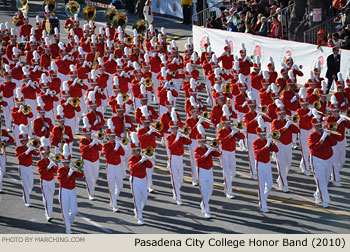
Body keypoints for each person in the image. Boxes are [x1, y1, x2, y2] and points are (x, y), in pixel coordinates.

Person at [308, 109, 337, 208]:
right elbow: (315, 148)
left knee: (325, 180)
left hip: (328, 158)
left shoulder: (325, 133)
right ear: (314, 126)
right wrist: (323, 138)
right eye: (317, 126)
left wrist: (330, 135)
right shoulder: (311, 136)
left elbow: (334, 143)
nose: (319, 127)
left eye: (320, 125)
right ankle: (325, 200)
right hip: (317, 160)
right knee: (320, 181)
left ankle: (317, 195)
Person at [253, 116, 278, 213]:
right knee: (261, 184)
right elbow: (258, 153)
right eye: (262, 134)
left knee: (270, 184)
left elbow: (276, 150)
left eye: (265, 134)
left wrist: (272, 143)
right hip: (260, 164)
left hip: (267, 163)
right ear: (259, 134)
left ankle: (262, 198)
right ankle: (263, 205)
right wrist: (267, 146)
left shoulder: (267, 141)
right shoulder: (256, 142)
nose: (264, 136)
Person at [57, 143, 84, 234]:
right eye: (65, 163)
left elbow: (80, 175)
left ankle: (69, 221)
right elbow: (62, 181)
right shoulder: (60, 170)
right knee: (65, 210)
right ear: (62, 162)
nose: (67, 164)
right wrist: (69, 174)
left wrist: (80, 168)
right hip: (64, 191)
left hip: (72, 190)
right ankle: (68, 228)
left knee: (74, 210)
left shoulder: (71, 168)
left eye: (68, 162)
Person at [194, 124, 220, 218]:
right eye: (201, 141)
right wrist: (208, 151)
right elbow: (200, 159)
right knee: (204, 192)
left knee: (211, 190)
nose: (203, 143)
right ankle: (206, 211)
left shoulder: (208, 147)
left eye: (204, 141)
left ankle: (203, 203)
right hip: (202, 171)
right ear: (198, 142)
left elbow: (217, 155)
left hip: (210, 171)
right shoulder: (197, 149)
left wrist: (216, 148)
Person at [128, 132, 153, 225]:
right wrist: (141, 162)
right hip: (135, 180)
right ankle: (140, 217)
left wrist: (146, 158)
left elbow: (150, 166)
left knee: (144, 199)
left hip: (143, 180)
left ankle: (138, 210)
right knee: (137, 199)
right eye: (136, 150)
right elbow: (132, 168)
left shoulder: (142, 157)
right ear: (133, 151)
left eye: (139, 150)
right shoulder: (131, 159)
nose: (138, 152)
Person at [15, 124, 40, 207]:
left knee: (31, 184)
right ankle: (27, 201)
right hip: (22, 167)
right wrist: (27, 151)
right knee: (25, 184)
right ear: (21, 141)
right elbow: (19, 157)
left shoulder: (29, 146)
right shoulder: (18, 148)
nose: (26, 142)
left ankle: (25, 195)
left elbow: (36, 154)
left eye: (27, 140)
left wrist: (38, 149)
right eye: (24, 140)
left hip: (29, 167)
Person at [36, 137, 57, 222]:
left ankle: (48, 211)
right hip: (44, 181)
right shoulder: (39, 163)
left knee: (50, 197)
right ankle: (48, 215)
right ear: (42, 154)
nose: (47, 155)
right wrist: (49, 167)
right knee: (47, 198)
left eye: (48, 153)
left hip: (51, 180)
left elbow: (56, 171)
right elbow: (42, 172)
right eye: (45, 153)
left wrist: (55, 164)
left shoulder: (50, 161)